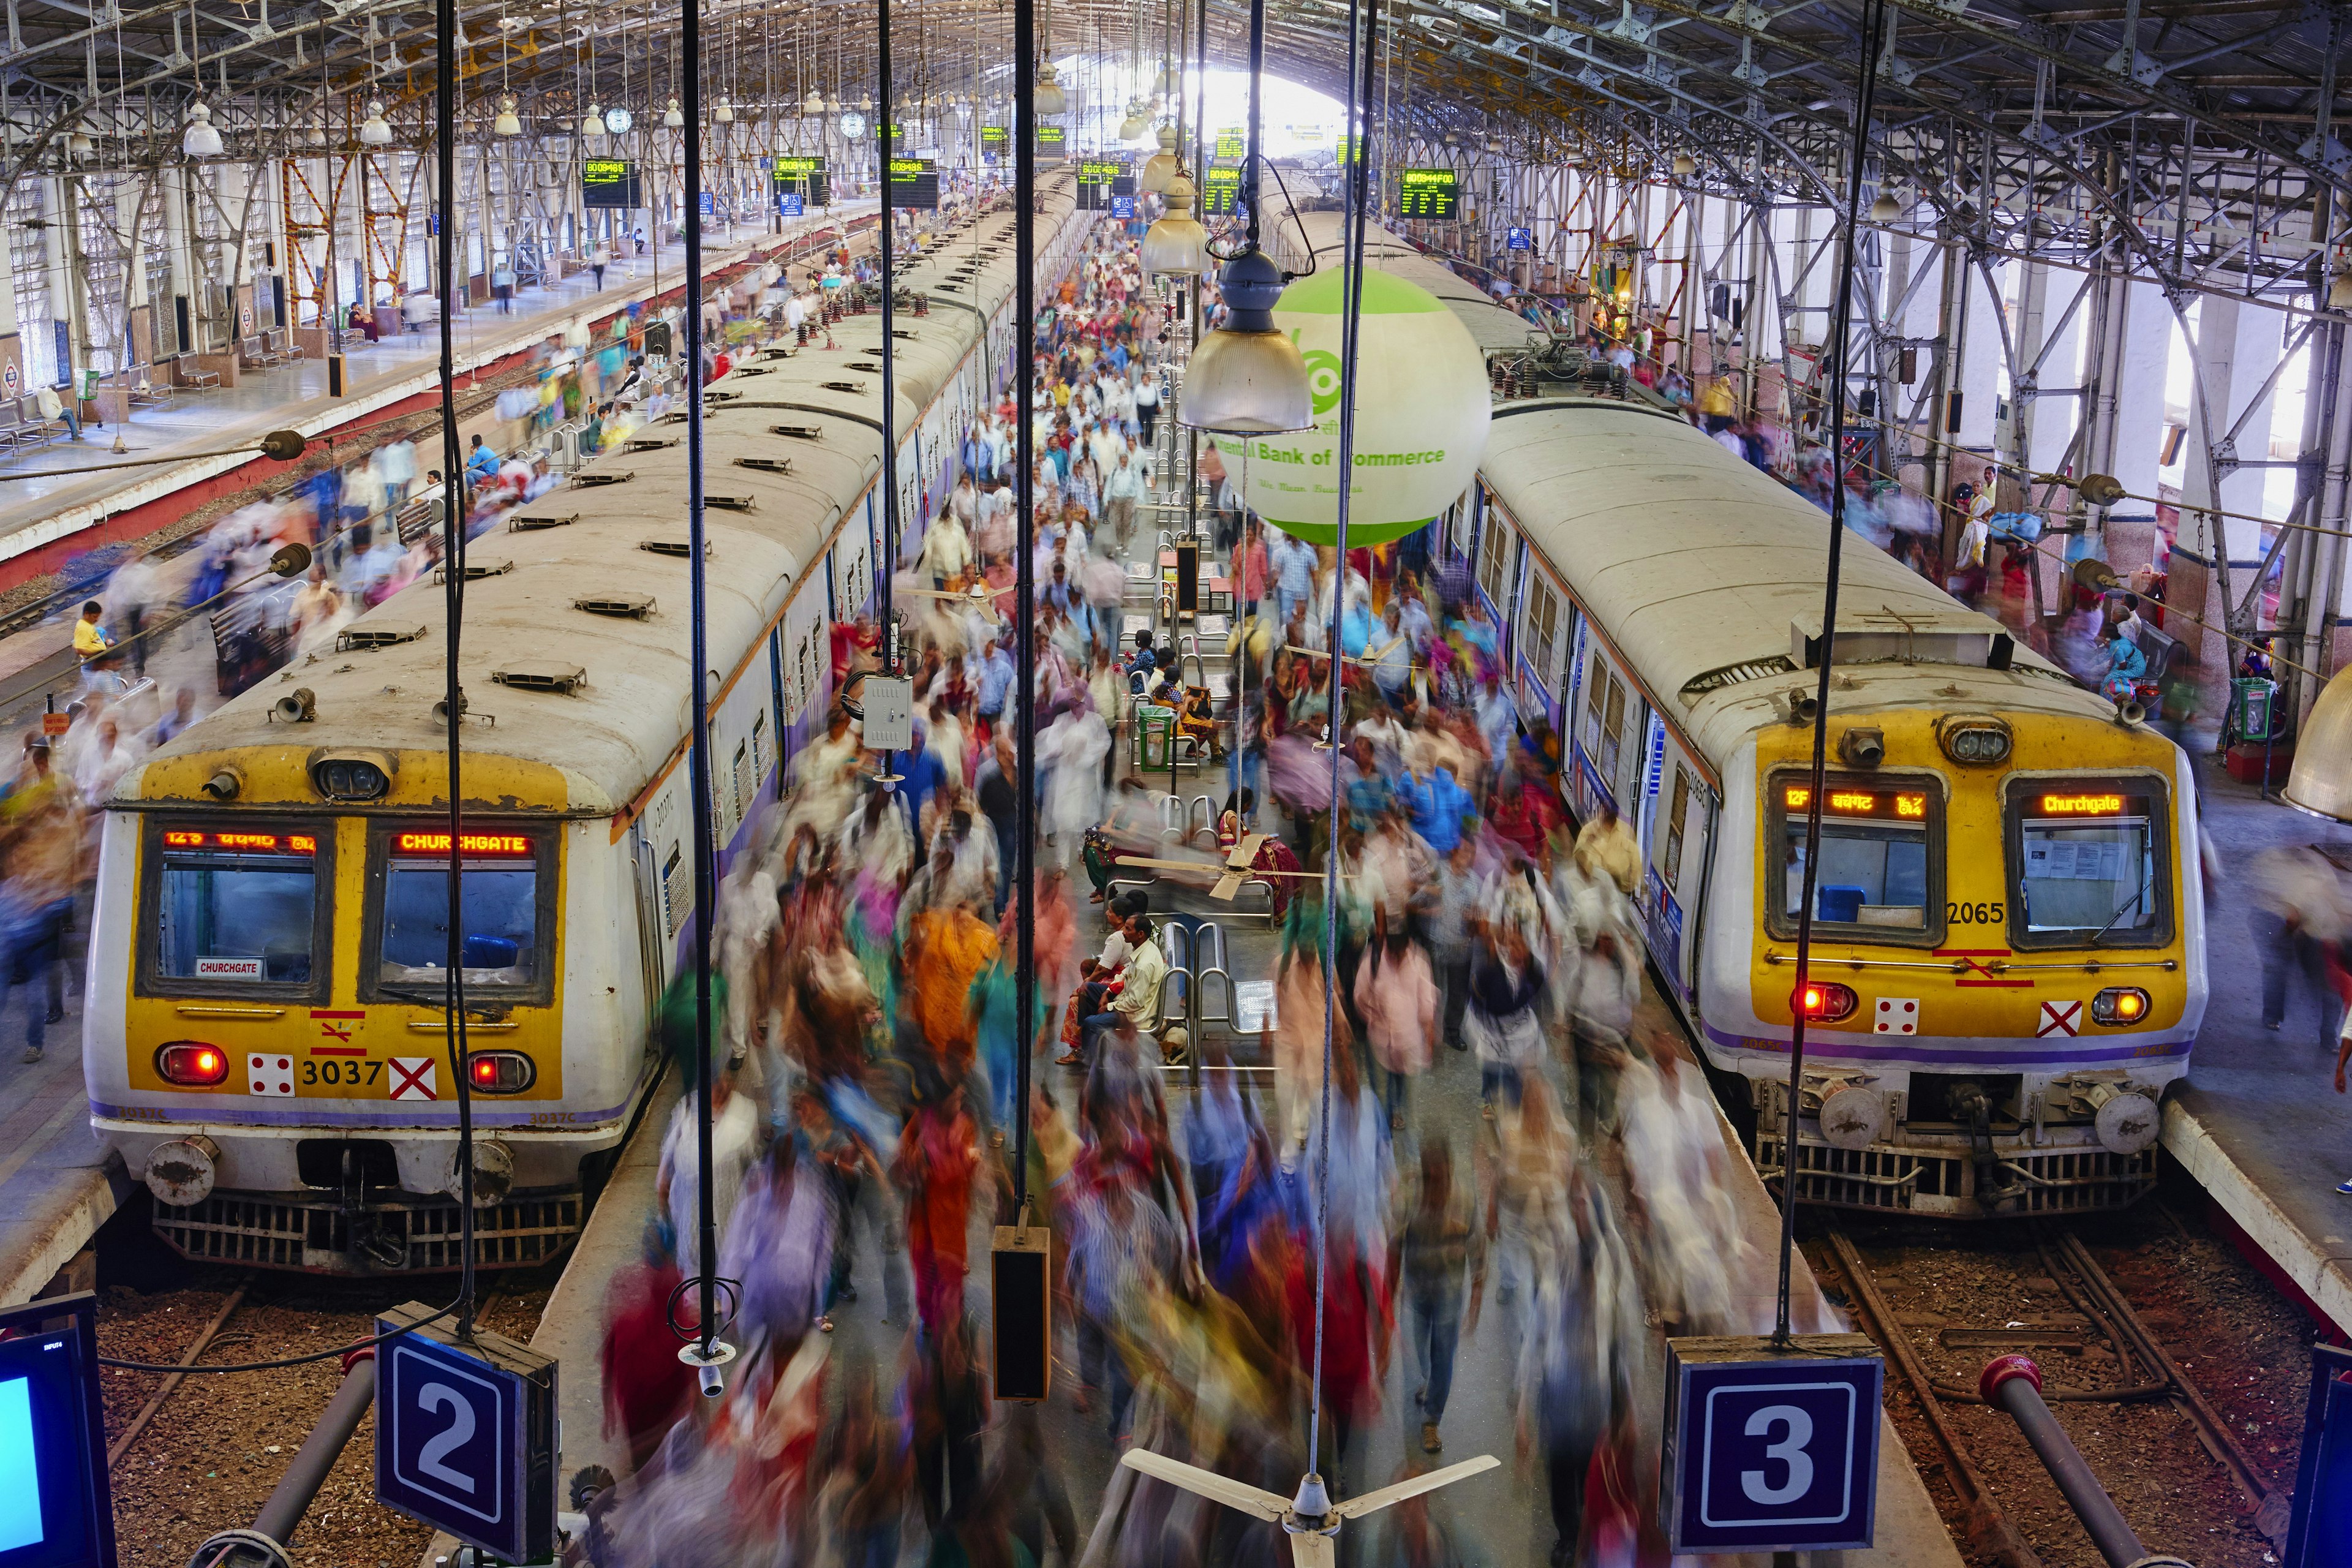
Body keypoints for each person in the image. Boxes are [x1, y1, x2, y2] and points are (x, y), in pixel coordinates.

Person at [1390, 1136, 1483, 1455]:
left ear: (1450, 1171)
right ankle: (1428, 1383)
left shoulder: (1465, 1200)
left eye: (1439, 1177)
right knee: (1417, 1354)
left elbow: (1478, 1246)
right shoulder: (1409, 1198)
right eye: (1428, 1177)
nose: (1433, 1186)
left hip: (1448, 1292)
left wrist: (1477, 1297)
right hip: (1416, 1289)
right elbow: (1394, 1246)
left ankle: (1431, 1419)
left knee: (1442, 1353)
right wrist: (1388, 1297)